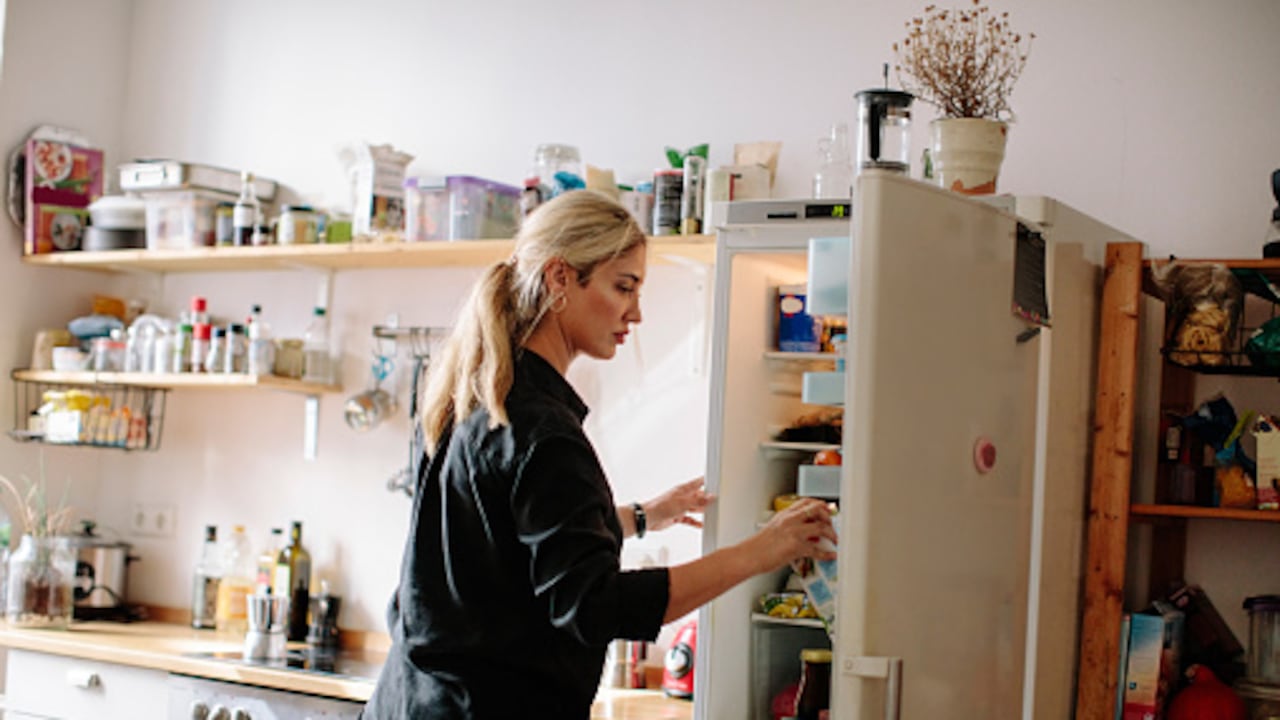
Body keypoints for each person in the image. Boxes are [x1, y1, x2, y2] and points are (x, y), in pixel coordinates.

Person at [362, 190, 837, 719]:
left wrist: (642, 517)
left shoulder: (480, 396)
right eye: (623, 287)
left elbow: (516, 542)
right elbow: (595, 606)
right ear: (560, 279)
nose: (636, 312)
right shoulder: (544, 432)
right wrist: (761, 551)